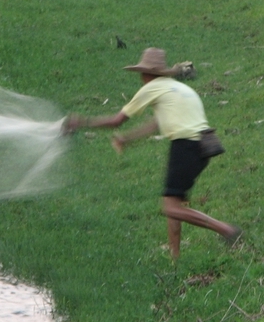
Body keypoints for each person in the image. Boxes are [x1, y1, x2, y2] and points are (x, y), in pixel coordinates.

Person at [63, 47, 241, 260]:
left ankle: (226, 229)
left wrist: (81, 122)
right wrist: (127, 139)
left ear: (146, 74)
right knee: (174, 202)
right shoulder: (176, 88)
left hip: (185, 145)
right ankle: (175, 258)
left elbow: (116, 120)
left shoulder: (151, 88)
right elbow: (156, 124)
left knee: (170, 208)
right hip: (204, 145)